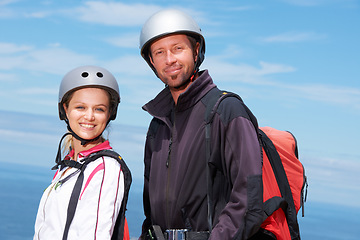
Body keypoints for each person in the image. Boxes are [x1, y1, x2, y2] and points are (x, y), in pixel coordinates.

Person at [139, 9, 263, 240]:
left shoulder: (226, 111)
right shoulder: (158, 125)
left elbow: (248, 201)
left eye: (178, 48)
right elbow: (150, 211)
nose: (169, 59)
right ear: (151, 61)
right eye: (159, 52)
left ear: (196, 51)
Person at [34, 65, 131, 240]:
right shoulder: (68, 166)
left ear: (110, 114)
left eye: (99, 109)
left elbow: (96, 235)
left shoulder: (104, 167)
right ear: (65, 109)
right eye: (80, 107)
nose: (89, 116)